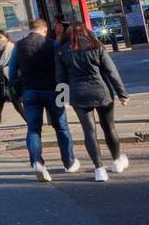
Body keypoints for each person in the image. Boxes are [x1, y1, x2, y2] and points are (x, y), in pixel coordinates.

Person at [56, 23, 130, 182]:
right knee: (109, 127)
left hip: (78, 95)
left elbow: (60, 78)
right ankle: (117, 161)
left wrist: (62, 99)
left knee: (89, 132)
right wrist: (122, 93)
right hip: (101, 91)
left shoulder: (62, 50)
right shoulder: (95, 45)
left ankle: (99, 170)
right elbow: (111, 71)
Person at [9, 18, 79, 182]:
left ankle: (37, 163)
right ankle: (69, 163)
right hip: (54, 91)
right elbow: (61, 68)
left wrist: (16, 90)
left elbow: (12, 71)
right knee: (62, 127)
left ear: (30, 29)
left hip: (29, 92)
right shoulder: (53, 44)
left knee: (34, 129)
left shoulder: (18, 46)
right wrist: (65, 91)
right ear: (45, 30)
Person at [0, 30, 24, 145]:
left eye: (0, 37)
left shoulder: (12, 49)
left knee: (18, 106)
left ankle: (33, 127)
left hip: (9, 83)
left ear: (6, 38)